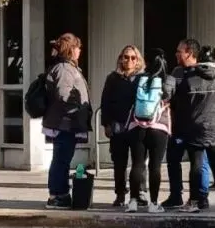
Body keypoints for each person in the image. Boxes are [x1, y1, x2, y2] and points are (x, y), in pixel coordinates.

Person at [170, 44, 215, 212]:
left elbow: (179, 104)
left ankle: (194, 201)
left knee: (196, 166)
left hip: (195, 127)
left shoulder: (189, 79)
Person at [42, 33, 92, 210]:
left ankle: (59, 193)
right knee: (61, 160)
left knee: (62, 159)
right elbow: (64, 95)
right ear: (71, 49)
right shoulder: (64, 69)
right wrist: (76, 110)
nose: (80, 51)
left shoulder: (67, 67)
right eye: (78, 47)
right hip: (65, 124)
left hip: (66, 123)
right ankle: (58, 194)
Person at [164, 39, 212, 210]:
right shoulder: (176, 72)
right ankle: (175, 194)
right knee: (172, 159)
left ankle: (201, 196)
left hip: (197, 126)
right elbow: (168, 94)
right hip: (179, 125)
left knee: (199, 162)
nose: (177, 54)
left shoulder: (201, 73)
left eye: (180, 51)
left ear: (190, 53)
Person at [126, 49, 174, 213]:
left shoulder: (137, 79)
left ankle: (132, 201)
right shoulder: (168, 80)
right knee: (155, 166)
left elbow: (129, 99)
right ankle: (153, 203)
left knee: (137, 164)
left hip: (137, 126)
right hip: (159, 128)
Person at [99, 44, 143, 207]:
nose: (129, 60)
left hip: (138, 125)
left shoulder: (141, 78)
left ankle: (138, 193)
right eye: (126, 57)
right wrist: (106, 124)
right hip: (117, 126)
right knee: (119, 163)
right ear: (120, 59)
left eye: (133, 57)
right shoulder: (112, 78)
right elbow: (105, 102)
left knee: (139, 162)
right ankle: (120, 194)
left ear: (138, 60)